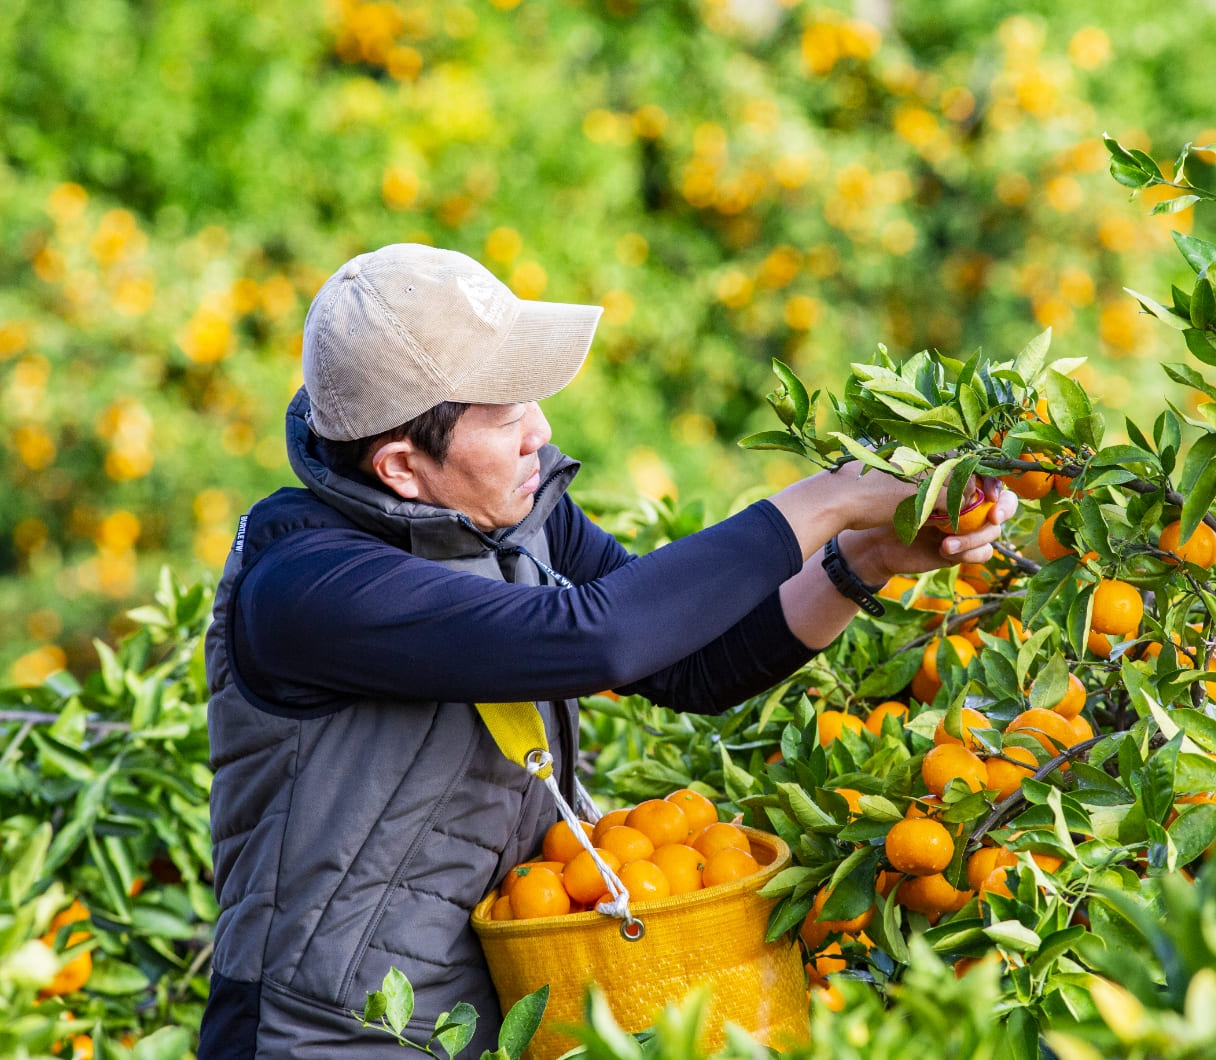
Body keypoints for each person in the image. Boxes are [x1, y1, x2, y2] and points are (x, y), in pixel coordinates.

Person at [198, 243, 1014, 1057]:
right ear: (404, 467)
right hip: (320, 1041)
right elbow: (603, 635)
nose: (540, 434)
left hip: (492, 1024)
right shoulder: (309, 587)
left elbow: (691, 663)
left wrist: (860, 559)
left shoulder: (514, 519)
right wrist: (829, 499)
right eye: (507, 412)